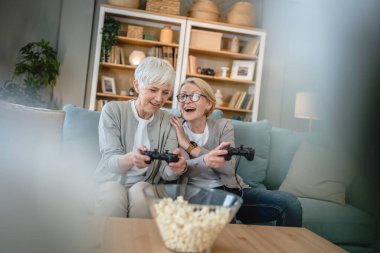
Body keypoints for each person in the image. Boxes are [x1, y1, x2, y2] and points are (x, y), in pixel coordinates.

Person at [170, 77, 302, 226]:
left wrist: (189, 146)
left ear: (208, 104)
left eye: (194, 96)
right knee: (225, 217)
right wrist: (208, 159)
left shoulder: (223, 126)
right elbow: (182, 169)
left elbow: (228, 167)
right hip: (198, 196)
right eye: (182, 96)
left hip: (234, 191)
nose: (186, 101)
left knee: (290, 203)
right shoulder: (174, 129)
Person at [93, 57, 187, 218]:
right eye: (153, 89)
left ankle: (138, 243)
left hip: (146, 184)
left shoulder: (169, 121)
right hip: (110, 181)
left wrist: (175, 168)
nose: (159, 99)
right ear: (137, 85)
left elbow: (165, 173)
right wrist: (131, 159)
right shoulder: (113, 111)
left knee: (142, 191)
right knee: (113, 195)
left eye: (165, 92)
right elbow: (110, 161)